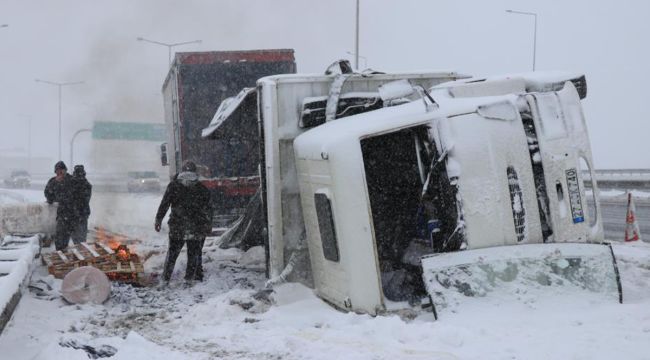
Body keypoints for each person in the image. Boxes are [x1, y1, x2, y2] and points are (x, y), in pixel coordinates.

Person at [155, 161, 212, 284]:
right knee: (193, 254)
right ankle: (189, 279)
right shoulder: (201, 188)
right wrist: (208, 224)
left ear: (182, 171)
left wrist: (158, 219)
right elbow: (208, 209)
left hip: (177, 225)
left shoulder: (173, 186)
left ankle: (165, 279)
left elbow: (164, 204)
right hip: (196, 226)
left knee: (172, 254)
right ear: (194, 172)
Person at [44, 161, 76, 251]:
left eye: (61, 171)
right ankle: (60, 253)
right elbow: (48, 195)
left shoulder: (72, 180)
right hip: (61, 214)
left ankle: (67, 253)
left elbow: (75, 195)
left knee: (74, 238)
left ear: (65, 170)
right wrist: (54, 185)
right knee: (60, 237)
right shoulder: (52, 181)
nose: (59, 173)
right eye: (57, 172)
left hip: (72, 213)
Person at [71, 165, 92, 244]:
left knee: (77, 235)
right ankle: (80, 248)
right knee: (81, 236)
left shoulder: (74, 184)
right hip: (81, 212)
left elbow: (83, 199)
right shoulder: (86, 184)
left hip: (78, 213)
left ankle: (79, 248)